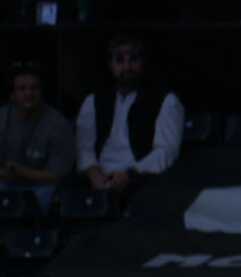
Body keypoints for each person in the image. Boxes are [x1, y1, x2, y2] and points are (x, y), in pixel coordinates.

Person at [75, 35, 184, 195]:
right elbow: (84, 148)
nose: (127, 67)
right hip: (98, 179)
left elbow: (166, 152)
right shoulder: (93, 101)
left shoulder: (166, 101)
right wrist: (93, 173)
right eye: (119, 60)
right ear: (110, 65)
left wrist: (130, 174)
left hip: (142, 180)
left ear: (143, 62)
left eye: (133, 59)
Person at [0, 62, 74, 212]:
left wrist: (20, 172)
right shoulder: (2, 117)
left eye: (34, 88)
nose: (29, 93)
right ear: (12, 94)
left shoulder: (57, 123)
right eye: (22, 89)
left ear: (41, 91)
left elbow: (56, 176)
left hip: (41, 187)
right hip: (5, 183)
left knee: (48, 195)